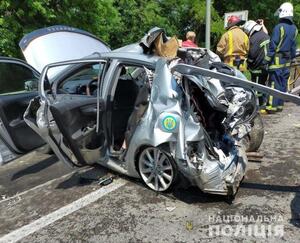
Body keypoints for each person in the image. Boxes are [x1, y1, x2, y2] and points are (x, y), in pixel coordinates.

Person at [265, 2, 298, 113]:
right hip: (287, 60)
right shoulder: (294, 28)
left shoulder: (279, 27)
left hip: (277, 59)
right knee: (283, 83)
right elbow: (293, 46)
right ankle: (279, 106)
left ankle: (271, 108)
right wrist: (293, 57)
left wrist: (266, 60)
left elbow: (273, 45)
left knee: (274, 83)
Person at [243, 20, 270, 113]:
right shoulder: (265, 35)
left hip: (258, 67)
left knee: (257, 87)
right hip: (266, 65)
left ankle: (258, 106)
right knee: (263, 85)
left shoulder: (253, 39)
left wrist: (248, 63)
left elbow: (252, 54)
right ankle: (264, 103)